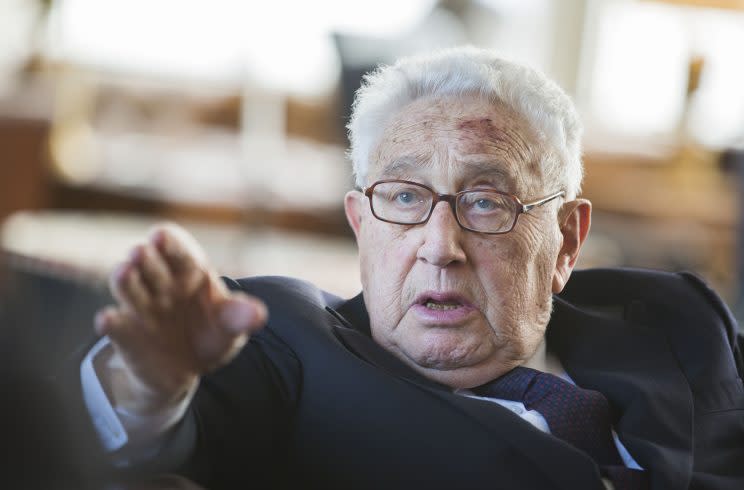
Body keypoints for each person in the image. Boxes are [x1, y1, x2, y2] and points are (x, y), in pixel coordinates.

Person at [77, 47, 744, 490]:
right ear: (361, 222)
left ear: (567, 239)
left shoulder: (676, 317)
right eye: (402, 197)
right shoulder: (288, 342)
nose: (439, 245)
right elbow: (155, 439)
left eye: (486, 201)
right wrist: (149, 388)